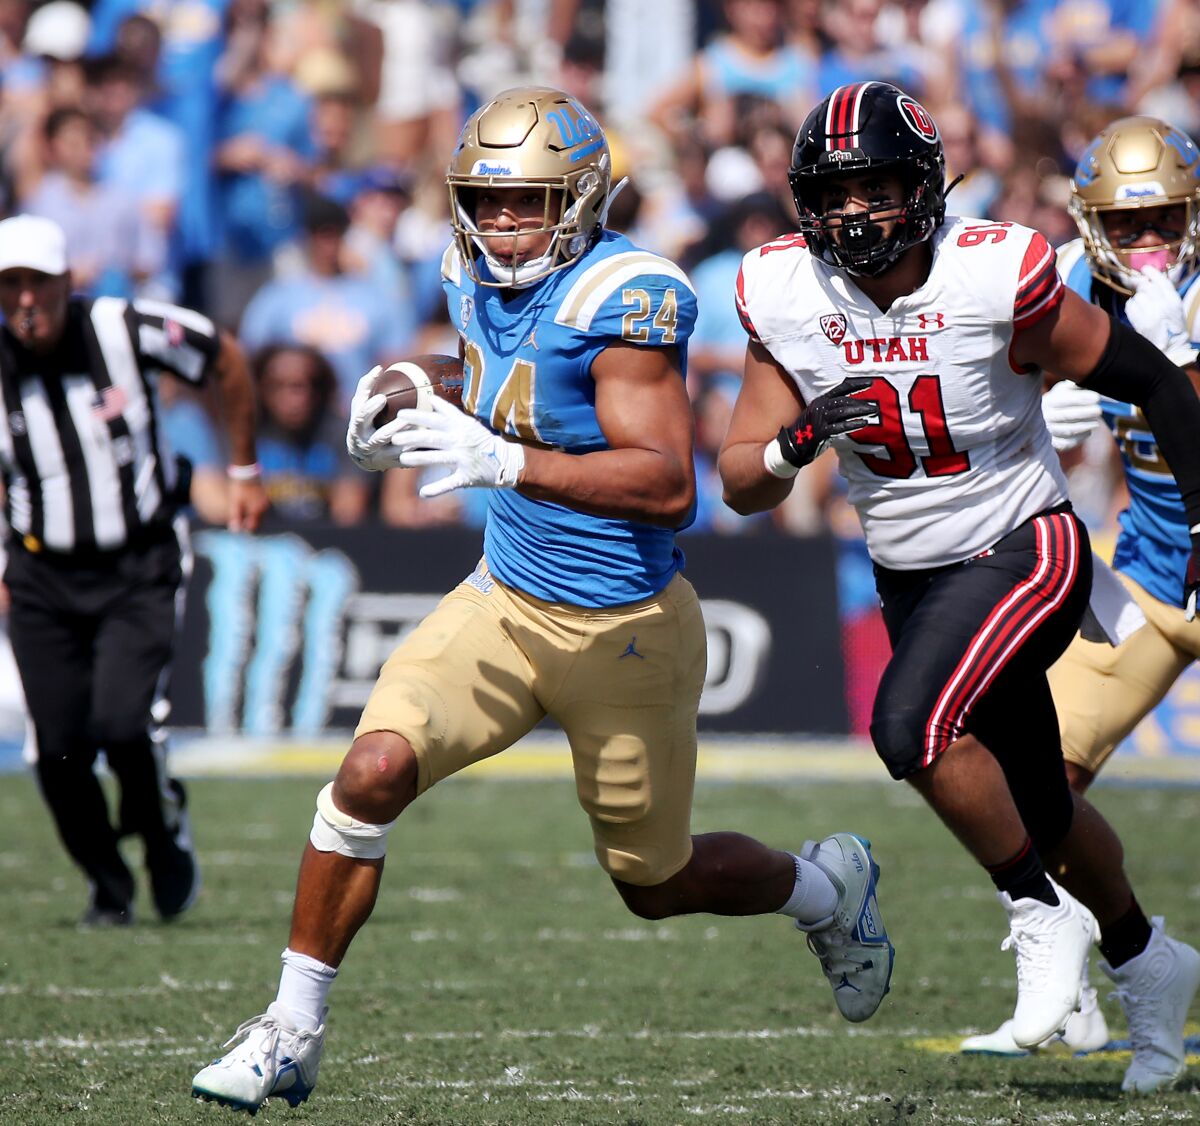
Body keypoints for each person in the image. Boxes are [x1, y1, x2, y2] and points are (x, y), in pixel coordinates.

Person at [190, 85, 895, 1115]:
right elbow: (488, 372)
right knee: (369, 772)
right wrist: (405, 383)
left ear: (581, 199)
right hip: (506, 601)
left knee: (653, 881)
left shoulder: (624, 297)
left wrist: (504, 461)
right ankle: (290, 1029)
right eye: (487, 199)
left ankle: (829, 890)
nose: (504, 223)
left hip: (627, 633)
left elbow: (665, 483)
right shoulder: (466, 269)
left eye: (528, 201)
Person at [718, 82, 1200, 1095]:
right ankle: (1146, 958)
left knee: (910, 729)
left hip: (1029, 546)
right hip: (913, 572)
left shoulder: (996, 272)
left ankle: (1037, 911)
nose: (853, 212)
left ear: (924, 189)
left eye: (876, 187)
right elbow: (740, 483)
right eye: (834, 193)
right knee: (1045, 800)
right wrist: (797, 440)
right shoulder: (784, 291)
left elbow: (1154, 380)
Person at [962, 115, 1200, 1058]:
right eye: (1127, 226)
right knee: (1034, 785)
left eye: (1167, 222)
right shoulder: (1064, 278)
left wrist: (1175, 366)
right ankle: (1082, 994)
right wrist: (1031, 390)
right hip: (1148, 576)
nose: (1148, 246)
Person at [0, 213, 268, 927]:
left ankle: (160, 830)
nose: (25, 300)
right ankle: (107, 882)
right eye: (10, 286)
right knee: (56, 750)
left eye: (37, 284)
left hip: (137, 564)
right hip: (39, 577)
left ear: (67, 282)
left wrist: (242, 468)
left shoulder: (122, 327)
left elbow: (224, 356)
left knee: (122, 726)